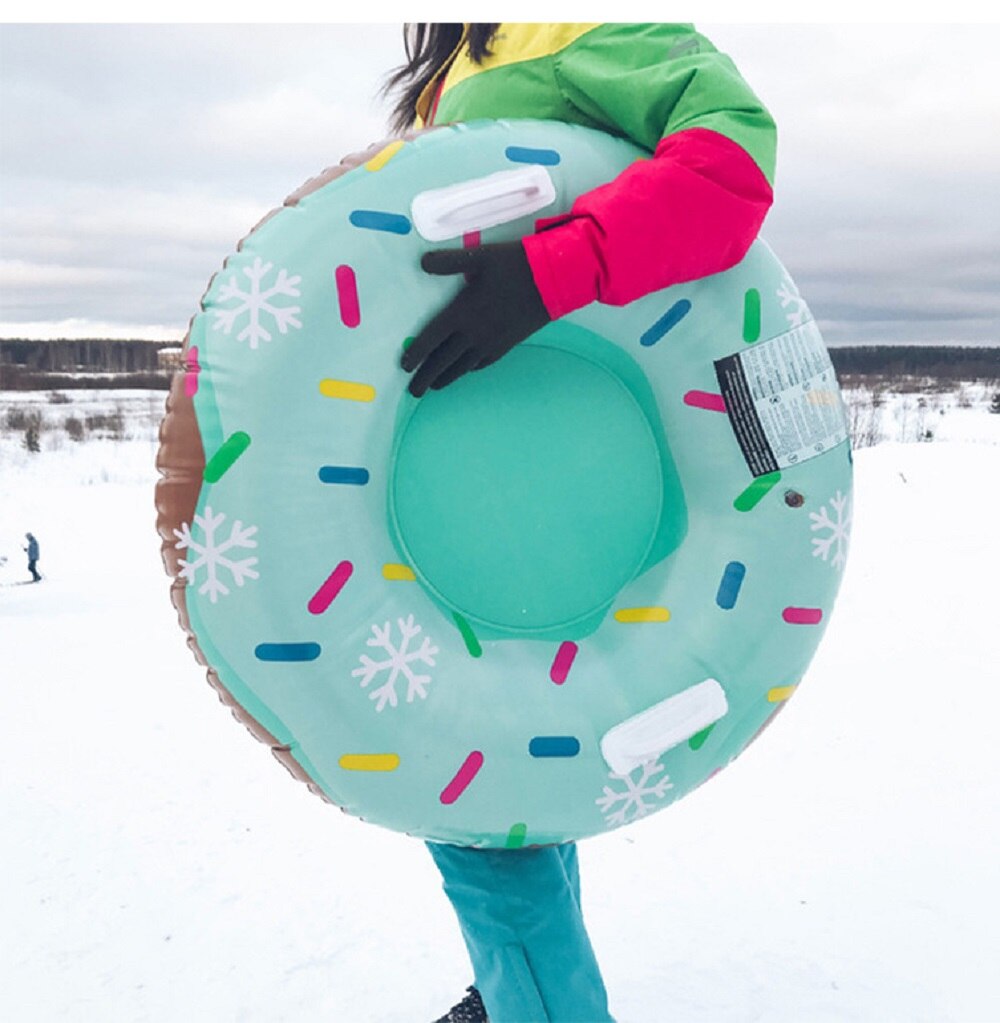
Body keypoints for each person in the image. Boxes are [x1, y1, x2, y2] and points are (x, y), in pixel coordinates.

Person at [384, 23, 776, 1022]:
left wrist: (557, 269)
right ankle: (517, 986)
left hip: (565, 485)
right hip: (472, 496)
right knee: (509, 805)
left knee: (474, 817)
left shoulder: (571, 27)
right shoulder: (458, 60)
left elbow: (732, 158)